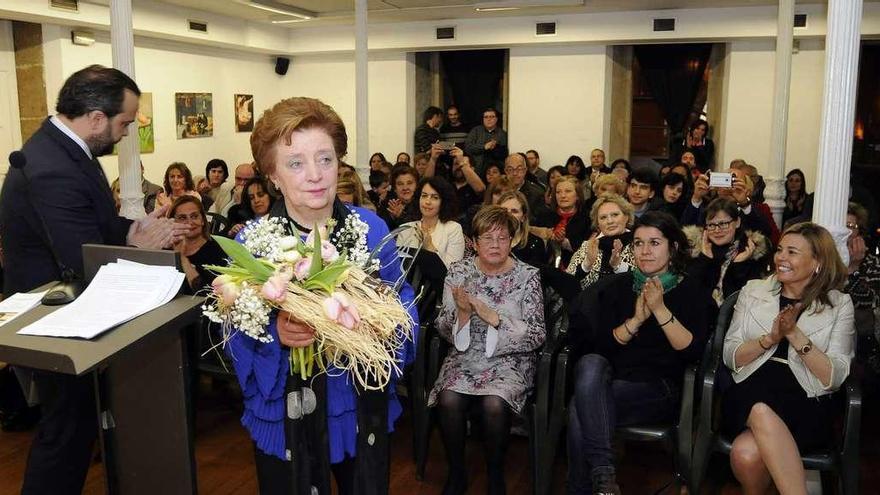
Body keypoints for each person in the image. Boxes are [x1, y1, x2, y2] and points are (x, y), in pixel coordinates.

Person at [0, 64, 186, 495]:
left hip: (70, 315)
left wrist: (128, 230)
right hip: (53, 321)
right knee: (65, 433)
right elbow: (80, 262)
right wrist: (141, 250)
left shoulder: (67, 150)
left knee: (76, 427)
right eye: (124, 123)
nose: (125, 133)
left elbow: (93, 222)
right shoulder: (52, 168)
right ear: (97, 117)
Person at [226, 97, 418, 495]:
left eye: (325, 159)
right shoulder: (252, 243)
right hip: (284, 414)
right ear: (273, 176)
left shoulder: (370, 227)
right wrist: (274, 331)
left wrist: (374, 321)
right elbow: (234, 329)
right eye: (295, 163)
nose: (315, 175)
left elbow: (404, 307)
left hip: (353, 406)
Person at [567, 211, 711, 494]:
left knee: (578, 407)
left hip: (659, 387)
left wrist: (659, 310)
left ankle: (590, 485)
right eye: (639, 243)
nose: (645, 251)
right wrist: (635, 321)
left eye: (654, 243)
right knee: (591, 363)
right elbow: (602, 347)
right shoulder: (619, 287)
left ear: (674, 247)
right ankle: (604, 478)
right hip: (609, 379)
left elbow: (692, 353)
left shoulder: (691, 290)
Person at [721, 222, 854, 494]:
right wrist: (769, 339)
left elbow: (834, 376)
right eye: (780, 249)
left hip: (807, 400)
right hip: (750, 385)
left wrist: (794, 334)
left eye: (792, 252)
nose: (781, 257)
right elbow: (730, 355)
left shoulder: (839, 304)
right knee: (758, 406)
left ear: (817, 262)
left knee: (746, 454)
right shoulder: (753, 291)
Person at [429, 205, 546, 495]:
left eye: (502, 238)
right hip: (465, 356)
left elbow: (537, 334)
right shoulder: (458, 272)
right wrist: (465, 314)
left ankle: (496, 475)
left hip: (510, 360)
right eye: (487, 238)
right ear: (474, 242)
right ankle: (457, 473)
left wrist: (495, 318)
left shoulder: (527, 276)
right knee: (448, 398)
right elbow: (443, 327)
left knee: (494, 402)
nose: (495, 245)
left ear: (513, 240)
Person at [683, 198, 770, 306]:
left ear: (737, 222)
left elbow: (744, 300)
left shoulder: (752, 252)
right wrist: (704, 260)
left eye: (723, 224)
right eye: (711, 225)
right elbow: (689, 292)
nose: (717, 230)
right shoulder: (694, 249)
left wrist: (738, 266)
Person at [567, 193, 635, 291]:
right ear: (598, 224)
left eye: (615, 215)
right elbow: (567, 283)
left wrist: (618, 266)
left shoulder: (638, 245)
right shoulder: (588, 246)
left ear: (626, 217)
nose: (610, 221)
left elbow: (644, 281)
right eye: (603, 217)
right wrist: (587, 264)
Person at [397, 176, 465, 270]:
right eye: (424, 196)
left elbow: (453, 272)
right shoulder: (405, 229)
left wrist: (429, 247)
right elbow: (399, 267)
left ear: (443, 202)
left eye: (435, 197)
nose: (427, 202)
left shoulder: (453, 229)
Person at [168, 196, 225, 294]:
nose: (190, 222)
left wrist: (181, 258)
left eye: (194, 216)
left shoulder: (216, 250)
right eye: (182, 218)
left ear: (202, 220)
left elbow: (206, 294)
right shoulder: (166, 249)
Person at [535, 175, 591, 269]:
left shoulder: (587, 219)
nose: (563, 195)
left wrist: (564, 242)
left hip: (576, 269)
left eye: (568, 191)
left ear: (577, 195)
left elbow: (586, 249)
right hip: (545, 267)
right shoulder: (543, 217)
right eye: (558, 192)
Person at [498, 191, 547, 268]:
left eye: (514, 211)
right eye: (504, 210)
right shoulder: (487, 242)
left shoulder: (535, 243)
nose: (508, 215)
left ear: (523, 217)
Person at [465, 107, 508, 174]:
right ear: (483, 119)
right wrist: (484, 147)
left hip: (495, 173)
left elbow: (505, 154)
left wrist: (495, 148)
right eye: (486, 117)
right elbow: (468, 148)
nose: (489, 119)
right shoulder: (475, 131)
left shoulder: (502, 134)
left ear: (496, 119)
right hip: (476, 171)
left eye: (492, 117)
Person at [378, 164, 419, 229]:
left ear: (416, 186)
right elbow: (380, 230)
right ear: (395, 188)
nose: (405, 188)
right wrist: (392, 217)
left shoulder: (421, 206)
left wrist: (400, 216)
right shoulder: (387, 205)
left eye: (409, 183)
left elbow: (415, 231)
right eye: (400, 184)